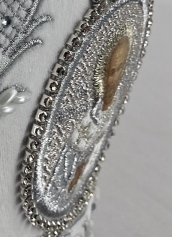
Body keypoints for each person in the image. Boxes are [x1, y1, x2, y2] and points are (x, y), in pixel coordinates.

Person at [50, 32, 131, 195]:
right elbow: (69, 155)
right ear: (105, 72)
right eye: (113, 70)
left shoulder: (108, 112)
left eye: (120, 68)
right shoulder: (89, 115)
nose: (116, 76)